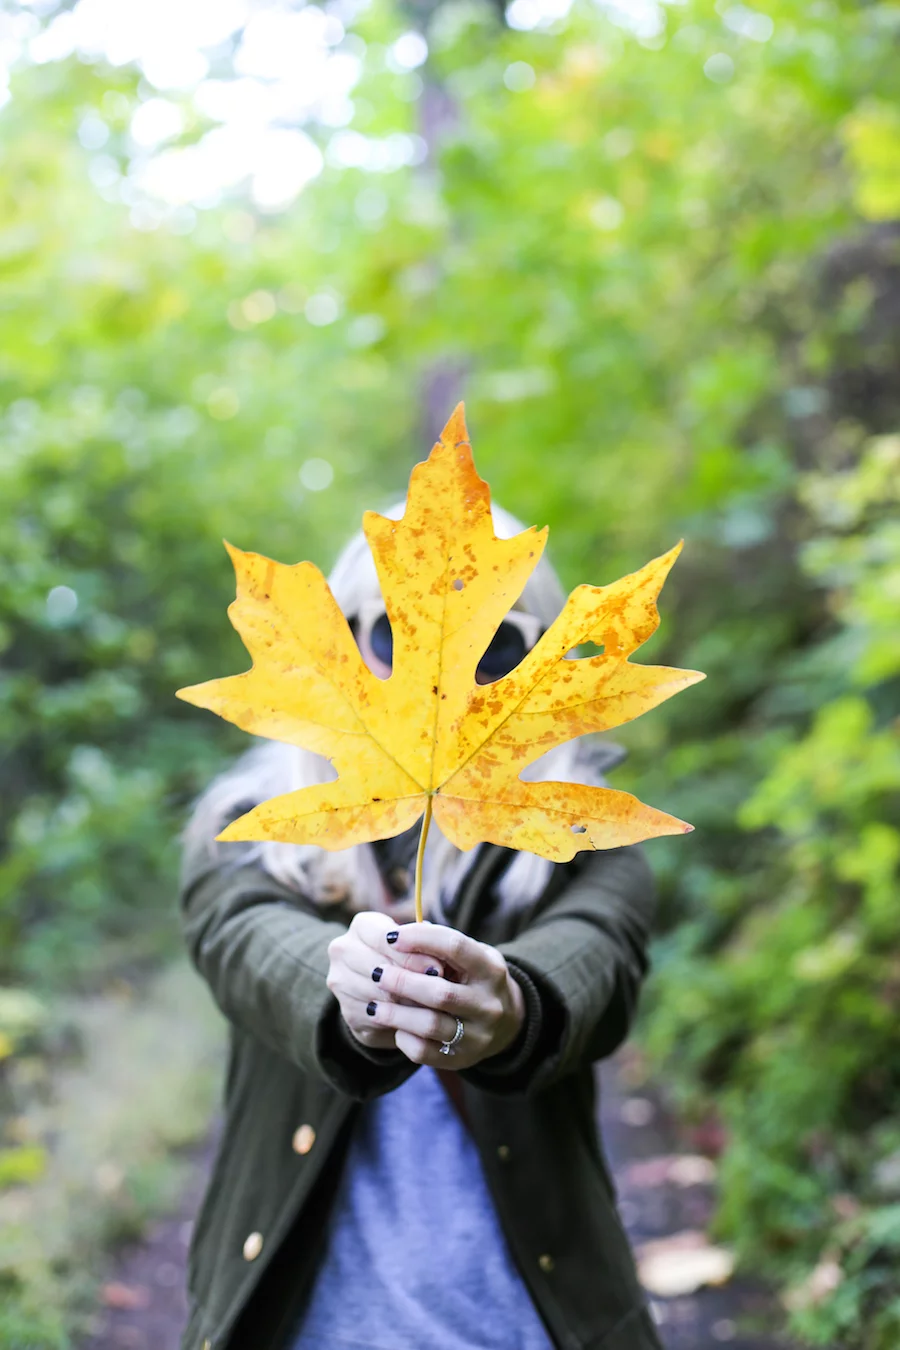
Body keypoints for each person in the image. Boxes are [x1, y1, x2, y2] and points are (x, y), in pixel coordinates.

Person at [178, 497, 664, 1350]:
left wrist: (515, 1007)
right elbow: (246, 941)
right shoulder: (249, 834)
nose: (451, 678)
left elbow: (600, 954)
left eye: (500, 646)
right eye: (391, 638)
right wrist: (348, 989)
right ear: (337, 650)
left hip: (518, 1321)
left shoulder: (594, 841)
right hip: (311, 1320)